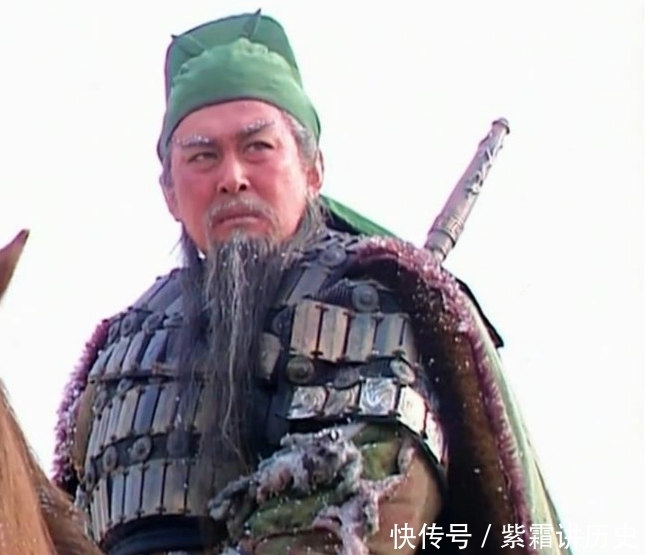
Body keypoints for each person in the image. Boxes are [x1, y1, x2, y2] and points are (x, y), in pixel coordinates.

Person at [52, 10, 570, 555]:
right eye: (203, 157)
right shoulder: (123, 351)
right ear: (170, 194)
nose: (232, 178)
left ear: (312, 169)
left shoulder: (371, 306)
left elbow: (362, 516)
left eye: (257, 148)